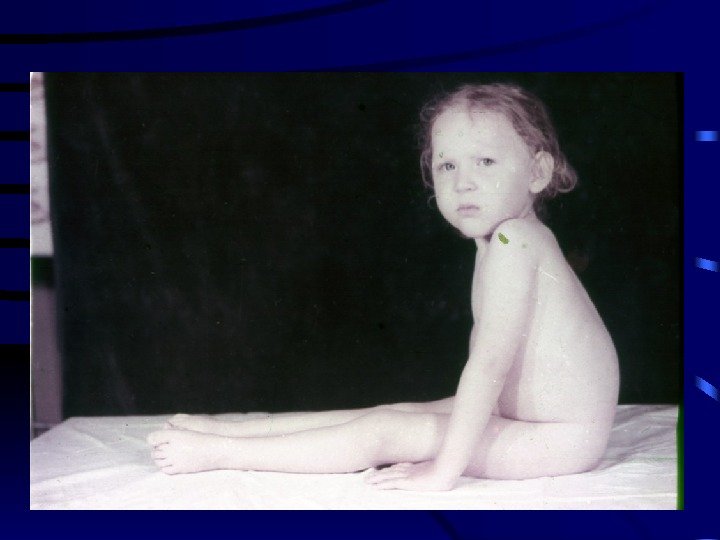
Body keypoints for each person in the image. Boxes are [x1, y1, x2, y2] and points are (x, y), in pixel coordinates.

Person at [147, 83, 619, 491]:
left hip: (558, 438)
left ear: (538, 172)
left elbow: (489, 364)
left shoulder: (516, 241)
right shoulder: (504, 241)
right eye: (447, 166)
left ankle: (221, 452)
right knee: (392, 411)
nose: (464, 183)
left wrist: (444, 470)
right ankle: (228, 430)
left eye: (485, 161)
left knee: (385, 429)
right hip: (530, 419)